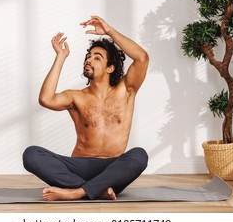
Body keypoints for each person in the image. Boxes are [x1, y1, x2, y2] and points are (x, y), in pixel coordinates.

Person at [23, 15, 149, 201]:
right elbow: (46, 99)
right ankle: (96, 190)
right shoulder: (76, 97)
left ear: (110, 68)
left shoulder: (126, 90)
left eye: (97, 58)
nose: (89, 60)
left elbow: (142, 57)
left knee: (139, 156)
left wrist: (109, 31)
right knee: (31, 154)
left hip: (112, 169)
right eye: (88, 57)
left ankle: (78, 192)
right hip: (78, 167)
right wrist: (60, 57)